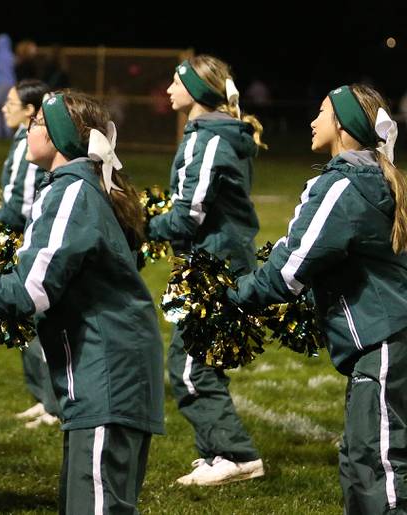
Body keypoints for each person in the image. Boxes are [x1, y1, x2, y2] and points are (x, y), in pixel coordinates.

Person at [0, 90, 165, 514]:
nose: (28, 130)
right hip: (102, 374)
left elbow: (32, 289)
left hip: (107, 372)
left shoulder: (70, 191)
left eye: (38, 124)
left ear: (63, 137)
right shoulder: (79, 186)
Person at [227, 84, 407, 514]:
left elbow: (291, 269)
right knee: (362, 457)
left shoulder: (343, 186)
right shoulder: (375, 178)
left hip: (384, 342)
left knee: (378, 467)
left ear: (343, 125)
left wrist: (233, 296)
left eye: (322, 112)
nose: (312, 121)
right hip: (390, 340)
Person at [148, 55, 266, 486]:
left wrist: (135, 224)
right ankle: (217, 451)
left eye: (175, 82)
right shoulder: (215, 133)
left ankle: (237, 454)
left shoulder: (208, 139)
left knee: (188, 365)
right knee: (200, 361)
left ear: (197, 91)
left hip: (215, 265)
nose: (168, 91)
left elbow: (186, 218)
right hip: (221, 260)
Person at [0, 79, 59, 428]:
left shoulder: (28, 145)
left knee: (36, 321)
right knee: (25, 325)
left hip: (24, 237)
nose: (5, 107)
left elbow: (19, 204)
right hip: (20, 234)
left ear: (31, 110)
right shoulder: (21, 140)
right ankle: (41, 396)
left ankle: (52, 402)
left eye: (12, 102)